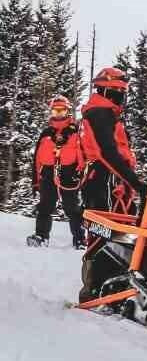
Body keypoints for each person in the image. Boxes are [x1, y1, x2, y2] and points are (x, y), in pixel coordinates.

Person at [78, 67, 147, 217]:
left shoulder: (102, 113)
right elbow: (107, 152)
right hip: (105, 176)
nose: (121, 95)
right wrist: (135, 182)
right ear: (106, 90)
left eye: (123, 91)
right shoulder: (101, 114)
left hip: (107, 177)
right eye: (118, 90)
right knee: (106, 226)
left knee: (121, 221)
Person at [28, 96, 85, 248]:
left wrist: (81, 172)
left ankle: (79, 239)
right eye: (55, 110)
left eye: (62, 110)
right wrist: (35, 181)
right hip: (48, 172)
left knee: (71, 207)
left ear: (67, 111)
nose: (58, 114)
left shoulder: (76, 132)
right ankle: (41, 236)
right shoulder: (46, 133)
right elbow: (37, 158)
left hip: (69, 172)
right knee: (45, 205)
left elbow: (82, 153)